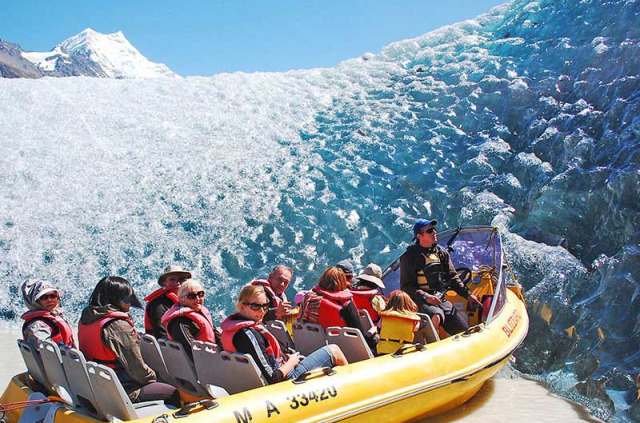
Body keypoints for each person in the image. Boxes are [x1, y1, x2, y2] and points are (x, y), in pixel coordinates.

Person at [78, 276, 180, 407]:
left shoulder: (86, 319)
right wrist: (155, 378)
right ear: (116, 298)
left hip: (97, 384)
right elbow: (138, 371)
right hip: (123, 389)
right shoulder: (118, 326)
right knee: (172, 392)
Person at [220, 285, 348, 384]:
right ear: (242, 306)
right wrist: (291, 362)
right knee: (334, 350)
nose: (262, 311)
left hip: (260, 379)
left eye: (265, 306)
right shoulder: (250, 335)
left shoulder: (231, 328)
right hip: (287, 380)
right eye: (256, 306)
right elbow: (273, 378)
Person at [399, 219, 481, 336]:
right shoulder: (409, 257)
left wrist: (467, 295)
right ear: (419, 236)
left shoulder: (441, 253)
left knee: (464, 331)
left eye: (434, 229)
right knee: (436, 315)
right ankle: (431, 348)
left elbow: (453, 277)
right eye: (430, 231)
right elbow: (406, 287)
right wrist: (426, 296)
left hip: (440, 299)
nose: (434, 233)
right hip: (419, 301)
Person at [300, 266, 379, 351]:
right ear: (342, 282)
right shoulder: (345, 304)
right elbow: (359, 335)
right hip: (344, 351)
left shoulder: (308, 300)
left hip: (313, 348)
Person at [161, 279, 221, 359]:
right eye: (192, 296)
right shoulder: (180, 322)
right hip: (203, 364)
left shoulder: (202, 313)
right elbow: (193, 352)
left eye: (200, 294)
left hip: (213, 358)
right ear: (182, 299)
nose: (198, 299)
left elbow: (217, 336)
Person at [21, 279, 75, 348]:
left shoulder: (54, 317)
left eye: (53, 296)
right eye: (44, 297)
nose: (49, 300)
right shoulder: (37, 326)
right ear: (36, 302)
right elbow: (45, 353)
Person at [144, 265, 192, 339]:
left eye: (181, 279)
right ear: (164, 283)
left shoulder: (189, 300)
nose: (178, 283)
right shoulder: (158, 305)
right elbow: (161, 335)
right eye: (172, 279)